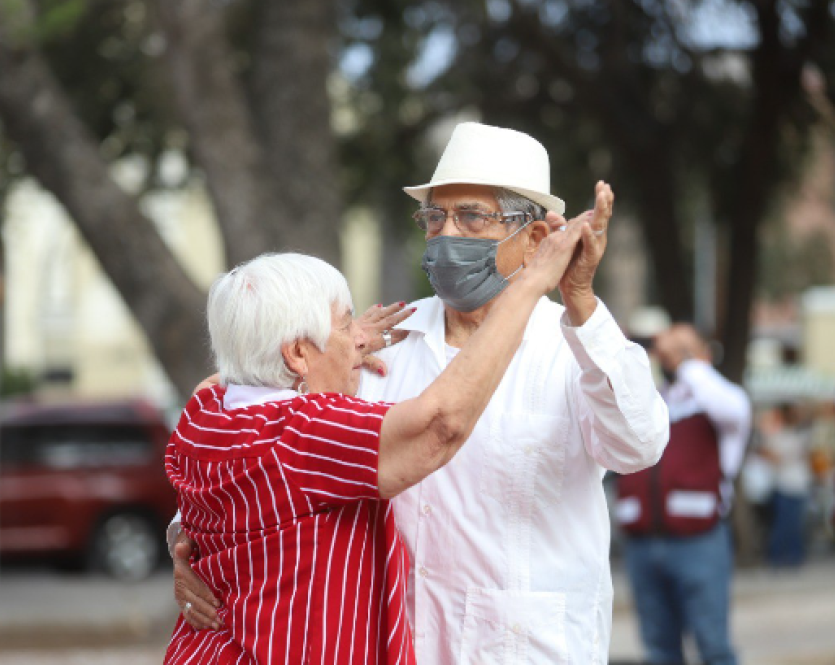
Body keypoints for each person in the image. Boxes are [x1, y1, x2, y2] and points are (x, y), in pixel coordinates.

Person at [173, 121, 670, 663]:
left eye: (470, 216)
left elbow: (638, 445)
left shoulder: (574, 344)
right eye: (434, 218)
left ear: (533, 241)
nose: (445, 234)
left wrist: (581, 302)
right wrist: (189, 542)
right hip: (401, 645)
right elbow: (251, 412)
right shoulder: (386, 340)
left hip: (528, 649)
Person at [164, 238, 581, 663]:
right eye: (346, 326)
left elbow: (219, 380)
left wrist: (333, 343)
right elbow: (442, 423)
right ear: (298, 353)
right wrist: (529, 286)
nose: (359, 339)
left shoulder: (206, 412)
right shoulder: (306, 430)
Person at [615, 324, 751, 665]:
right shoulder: (652, 399)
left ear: (704, 355)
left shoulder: (716, 399)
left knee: (714, 647)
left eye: (684, 346)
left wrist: (688, 362)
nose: (671, 353)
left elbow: (736, 410)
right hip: (643, 542)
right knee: (659, 652)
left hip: (699, 540)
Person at [759, 403, 812, 567]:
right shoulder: (778, 435)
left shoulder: (800, 435)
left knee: (795, 525)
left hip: (799, 486)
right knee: (782, 525)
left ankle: (794, 557)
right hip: (784, 486)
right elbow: (769, 455)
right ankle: (777, 558)